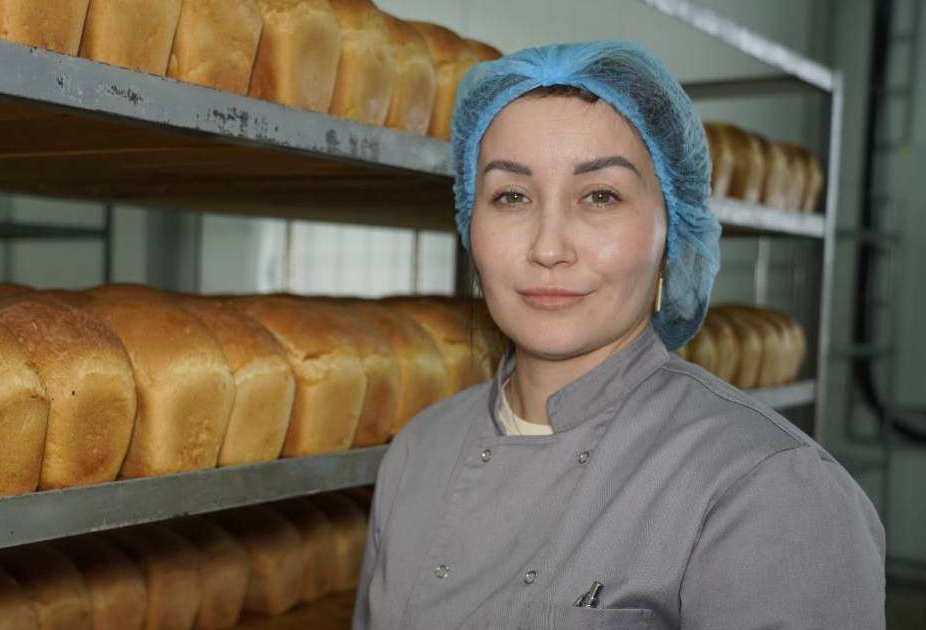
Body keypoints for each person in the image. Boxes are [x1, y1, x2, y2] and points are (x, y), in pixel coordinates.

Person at [352, 41, 884, 629]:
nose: (548, 247)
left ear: (671, 231)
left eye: (600, 196)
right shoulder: (420, 451)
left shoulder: (767, 489)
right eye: (511, 196)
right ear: (469, 223)